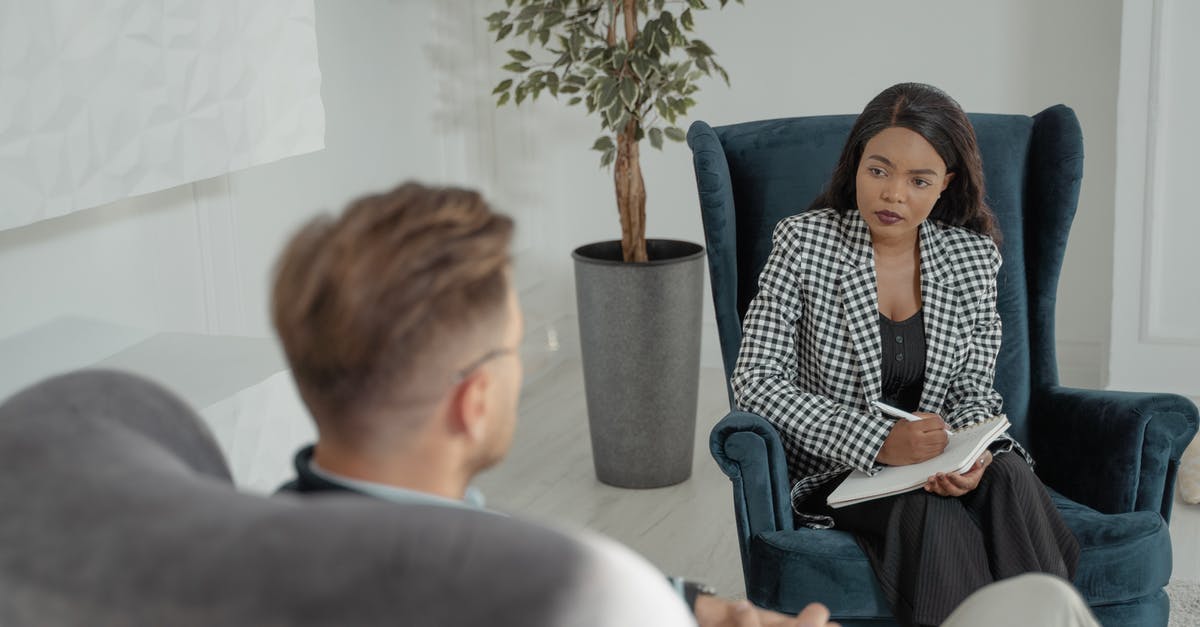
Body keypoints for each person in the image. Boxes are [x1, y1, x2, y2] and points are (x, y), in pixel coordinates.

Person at [269, 182, 834, 627]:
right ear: (475, 400)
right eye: (515, 348)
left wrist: (689, 604)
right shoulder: (552, 592)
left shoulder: (244, 541)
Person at [731, 82, 1082, 627]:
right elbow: (756, 380)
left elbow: (972, 388)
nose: (893, 194)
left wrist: (969, 456)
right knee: (926, 510)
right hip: (840, 469)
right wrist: (879, 442)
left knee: (1010, 474)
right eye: (879, 170)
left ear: (946, 184)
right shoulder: (803, 243)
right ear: (855, 165)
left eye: (918, 180)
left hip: (936, 457)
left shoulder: (970, 258)